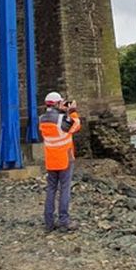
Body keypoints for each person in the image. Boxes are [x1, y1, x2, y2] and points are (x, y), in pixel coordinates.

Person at [38, 91, 81, 232]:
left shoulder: (42, 119)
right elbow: (76, 126)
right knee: (64, 189)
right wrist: (72, 111)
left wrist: (63, 111)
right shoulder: (61, 119)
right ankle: (64, 221)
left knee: (51, 190)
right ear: (57, 104)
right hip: (65, 159)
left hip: (51, 161)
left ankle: (49, 222)